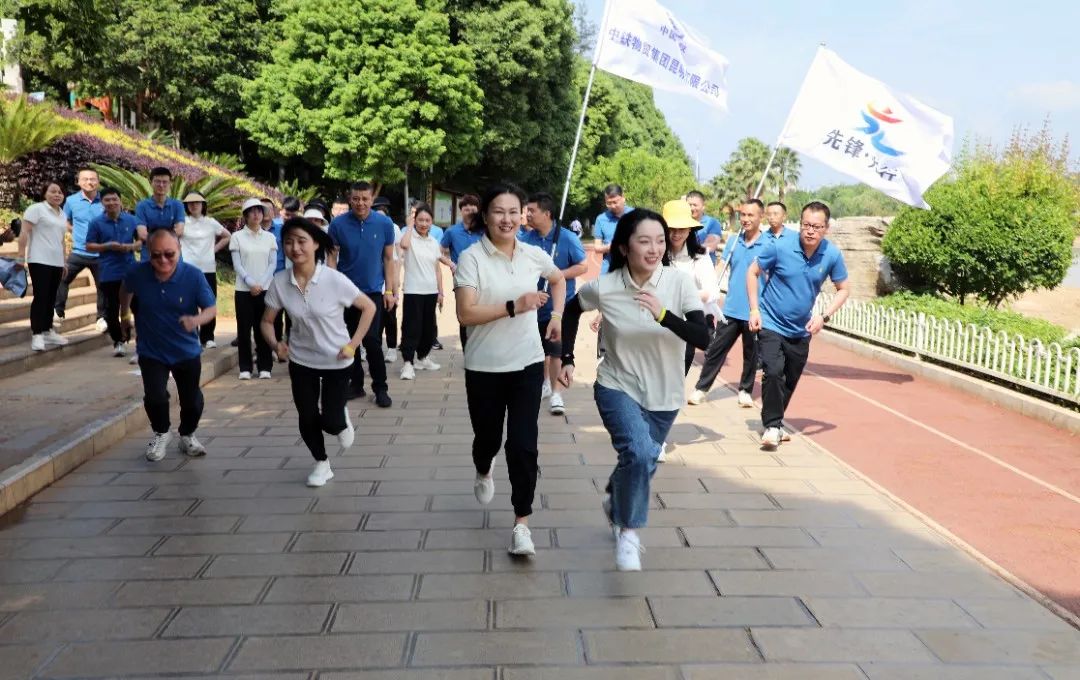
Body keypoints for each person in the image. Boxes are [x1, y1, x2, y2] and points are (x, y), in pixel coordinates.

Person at [559, 209, 708, 571]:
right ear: (625, 247)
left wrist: (664, 315)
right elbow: (571, 310)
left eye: (660, 241)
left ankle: (617, 496)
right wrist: (567, 357)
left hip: (665, 393)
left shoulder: (679, 283)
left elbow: (703, 337)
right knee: (640, 452)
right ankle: (628, 532)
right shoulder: (606, 287)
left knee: (642, 460)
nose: (654, 248)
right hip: (617, 385)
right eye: (644, 241)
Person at [454, 183, 565, 557]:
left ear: (524, 215)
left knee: (522, 445)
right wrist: (514, 306)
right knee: (487, 440)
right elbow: (465, 313)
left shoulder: (533, 254)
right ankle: (483, 468)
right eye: (499, 211)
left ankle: (522, 524)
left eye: (514, 211)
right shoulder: (471, 258)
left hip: (527, 364)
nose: (507, 218)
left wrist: (557, 317)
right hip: (483, 367)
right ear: (485, 216)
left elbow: (558, 278)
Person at [261, 217, 377, 487]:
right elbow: (266, 321)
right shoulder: (280, 282)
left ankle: (340, 420)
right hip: (301, 360)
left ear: (315, 244)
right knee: (307, 415)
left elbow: (369, 307)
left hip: (337, 359)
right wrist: (276, 345)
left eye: (302, 241)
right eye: (289, 242)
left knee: (332, 422)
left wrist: (353, 344)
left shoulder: (334, 279)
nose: (295, 248)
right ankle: (321, 463)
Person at [747, 201, 850, 448]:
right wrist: (754, 309)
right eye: (806, 225)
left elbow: (844, 289)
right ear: (800, 224)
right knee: (773, 371)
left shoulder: (832, 254)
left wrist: (823, 317)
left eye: (817, 226)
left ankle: (773, 420)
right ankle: (773, 426)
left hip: (801, 329)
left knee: (789, 380)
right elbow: (752, 272)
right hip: (771, 321)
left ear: (826, 228)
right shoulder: (780, 246)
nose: (810, 231)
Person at [119, 229, 216, 462]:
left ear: (179, 250)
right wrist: (124, 315)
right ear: (148, 253)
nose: (163, 260)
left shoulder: (192, 276)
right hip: (151, 349)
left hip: (186, 350)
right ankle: (161, 433)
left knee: (191, 400)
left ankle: (187, 434)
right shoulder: (138, 273)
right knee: (155, 397)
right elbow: (125, 290)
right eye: (156, 255)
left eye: (169, 254)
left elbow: (211, 309)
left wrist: (195, 320)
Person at [689, 199, 769, 408]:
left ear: (761, 217)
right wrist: (709, 285)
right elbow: (721, 266)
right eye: (743, 215)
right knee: (716, 350)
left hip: (754, 311)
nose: (746, 219)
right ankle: (701, 388)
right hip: (731, 309)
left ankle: (745, 390)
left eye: (751, 215)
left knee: (751, 354)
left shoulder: (769, 244)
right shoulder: (734, 242)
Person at [328, 181, 397, 408]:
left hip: (373, 293)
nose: (360, 203)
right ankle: (356, 384)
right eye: (356, 199)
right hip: (345, 292)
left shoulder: (384, 223)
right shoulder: (337, 224)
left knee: (372, 341)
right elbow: (332, 258)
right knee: (350, 340)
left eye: (365, 199)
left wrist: (390, 290)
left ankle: (381, 388)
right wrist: (331, 288)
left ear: (371, 199)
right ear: (350, 199)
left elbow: (389, 258)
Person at [522, 192, 587, 416]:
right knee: (541, 350)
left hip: (561, 307)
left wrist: (556, 275)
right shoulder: (526, 239)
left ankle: (557, 393)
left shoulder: (567, 238)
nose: (528, 215)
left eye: (532, 211)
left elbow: (583, 266)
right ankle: (546, 384)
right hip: (535, 307)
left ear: (547, 213)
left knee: (557, 350)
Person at [663, 199, 720, 375]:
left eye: (681, 229)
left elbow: (712, 292)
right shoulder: (654, 253)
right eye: (671, 229)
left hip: (686, 327)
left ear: (690, 229)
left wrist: (686, 295)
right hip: (656, 327)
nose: (676, 234)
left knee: (675, 380)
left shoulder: (700, 256)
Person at [84, 187, 138, 357]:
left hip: (130, 271)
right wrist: (107, 246)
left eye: (114, 199)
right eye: (107, 200)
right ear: (102, 202)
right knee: (111, 310)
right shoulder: (96, 223)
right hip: (108, 272)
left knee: (138, 307)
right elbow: (89, 246)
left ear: (120, 201)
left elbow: (142, 242)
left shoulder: (132, 220)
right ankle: (118, 341)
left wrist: (131, 246)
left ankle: (140, 342)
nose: (111, 203)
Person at [17, 182, 71, 351]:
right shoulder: (36, 209)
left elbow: (61, 240)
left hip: (56, 262)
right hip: (39, 259)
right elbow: (24, 233)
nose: (57, 195)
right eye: (53, 191)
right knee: (41, 296)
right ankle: (37, 334)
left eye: (60, 192)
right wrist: (20, 256)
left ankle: (48, 330)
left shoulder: (62, 214)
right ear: (44, 193)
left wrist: (64, 262)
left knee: (51, 297)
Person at [230, 198, 278, 380]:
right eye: (252, 211)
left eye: (259, 210)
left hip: (265, 289)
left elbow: (272, 264)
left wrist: (261, 284)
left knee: (263, 328)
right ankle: (245, 367)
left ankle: (265, 366)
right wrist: (251, 283)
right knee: (244, 329)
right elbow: (237, 265)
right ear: (246, 215)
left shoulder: (270, 237)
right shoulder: (237, 237)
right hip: (243, 290)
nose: (256, 214)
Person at [397, 203, 443, 380]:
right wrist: (409, 225)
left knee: (428, 328)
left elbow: (437, 268)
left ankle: (422, 357)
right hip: (413, 290)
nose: (424, 224)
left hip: (430, 291)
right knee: (411, 327)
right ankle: (408, 363)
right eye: (420, 220)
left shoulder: (433, 241)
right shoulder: (409, 237)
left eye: (427, 220)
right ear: (415, 220)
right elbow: (403, 245)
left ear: (432, 222)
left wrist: (440, 292)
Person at [56, 168, 106, 331]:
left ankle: (102, 318)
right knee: (62, 278)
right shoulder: (71, 201)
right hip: (78, 252)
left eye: (92, 179)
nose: (89, 182)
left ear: (98, 181)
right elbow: (65, 220)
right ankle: (58, 311)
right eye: (85, 179)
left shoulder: (106, 200)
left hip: (100, 254)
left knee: (103, 286)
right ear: (78, 182)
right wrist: (74, 231)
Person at [179, 192, 230, 349]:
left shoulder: (211, 222)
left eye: (197, 202)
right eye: (190, 203)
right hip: (187, 269)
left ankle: (208, 337)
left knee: (209, 302)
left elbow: (227, 236)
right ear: (186, 205)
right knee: (189, 303)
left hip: (208, 268)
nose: (194, 205)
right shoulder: (182, 222)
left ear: (203, 204)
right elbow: (172, 238)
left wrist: (213, 250)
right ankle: (192, 335)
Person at [440, 194, 482, 348]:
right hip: (462, 280)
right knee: (464, 316)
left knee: (482, 314)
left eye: (473, 209)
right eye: (466, 209)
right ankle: (467, 351)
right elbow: (438, 252)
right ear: (461, 211)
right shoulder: (452, 231)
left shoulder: (485, 230)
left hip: (484, 279)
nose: (470, 212)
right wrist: (451, 264)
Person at [372, 195, 402, 364]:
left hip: (388, 281)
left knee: (390, 316)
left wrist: (395, 288)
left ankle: (391, 348)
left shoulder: (393, 227)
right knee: (372, 319)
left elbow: (396, 258)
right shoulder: (368, 228)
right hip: (372, 283)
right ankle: (370, 348)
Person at [135, 167, 185, 263]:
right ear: (151, 183)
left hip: (173, 257)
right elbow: (142, 234)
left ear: (170, 184)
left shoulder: (177, 205)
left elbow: (179, 231)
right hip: (149, 257)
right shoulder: (142, 206)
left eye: (165, 182)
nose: (161, 185)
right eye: (157, 181)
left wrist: (156, 240)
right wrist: (166, 240)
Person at [592, 184, 633, 275]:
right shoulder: (601, 219)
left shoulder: (635, 215)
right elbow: (597, 247)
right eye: (609, 203)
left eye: (615, 202)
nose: (612, 206)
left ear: (623, 198)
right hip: (609, 270)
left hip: (632, 270)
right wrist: (610, 247)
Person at [686, 189, 725, 264]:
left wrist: (685, 250)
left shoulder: (712, 223)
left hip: (704, 266)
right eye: (689, 205)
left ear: (703, 206)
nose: (692, 208)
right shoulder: (682, 223)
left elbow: (710, 246)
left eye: (695, 205)